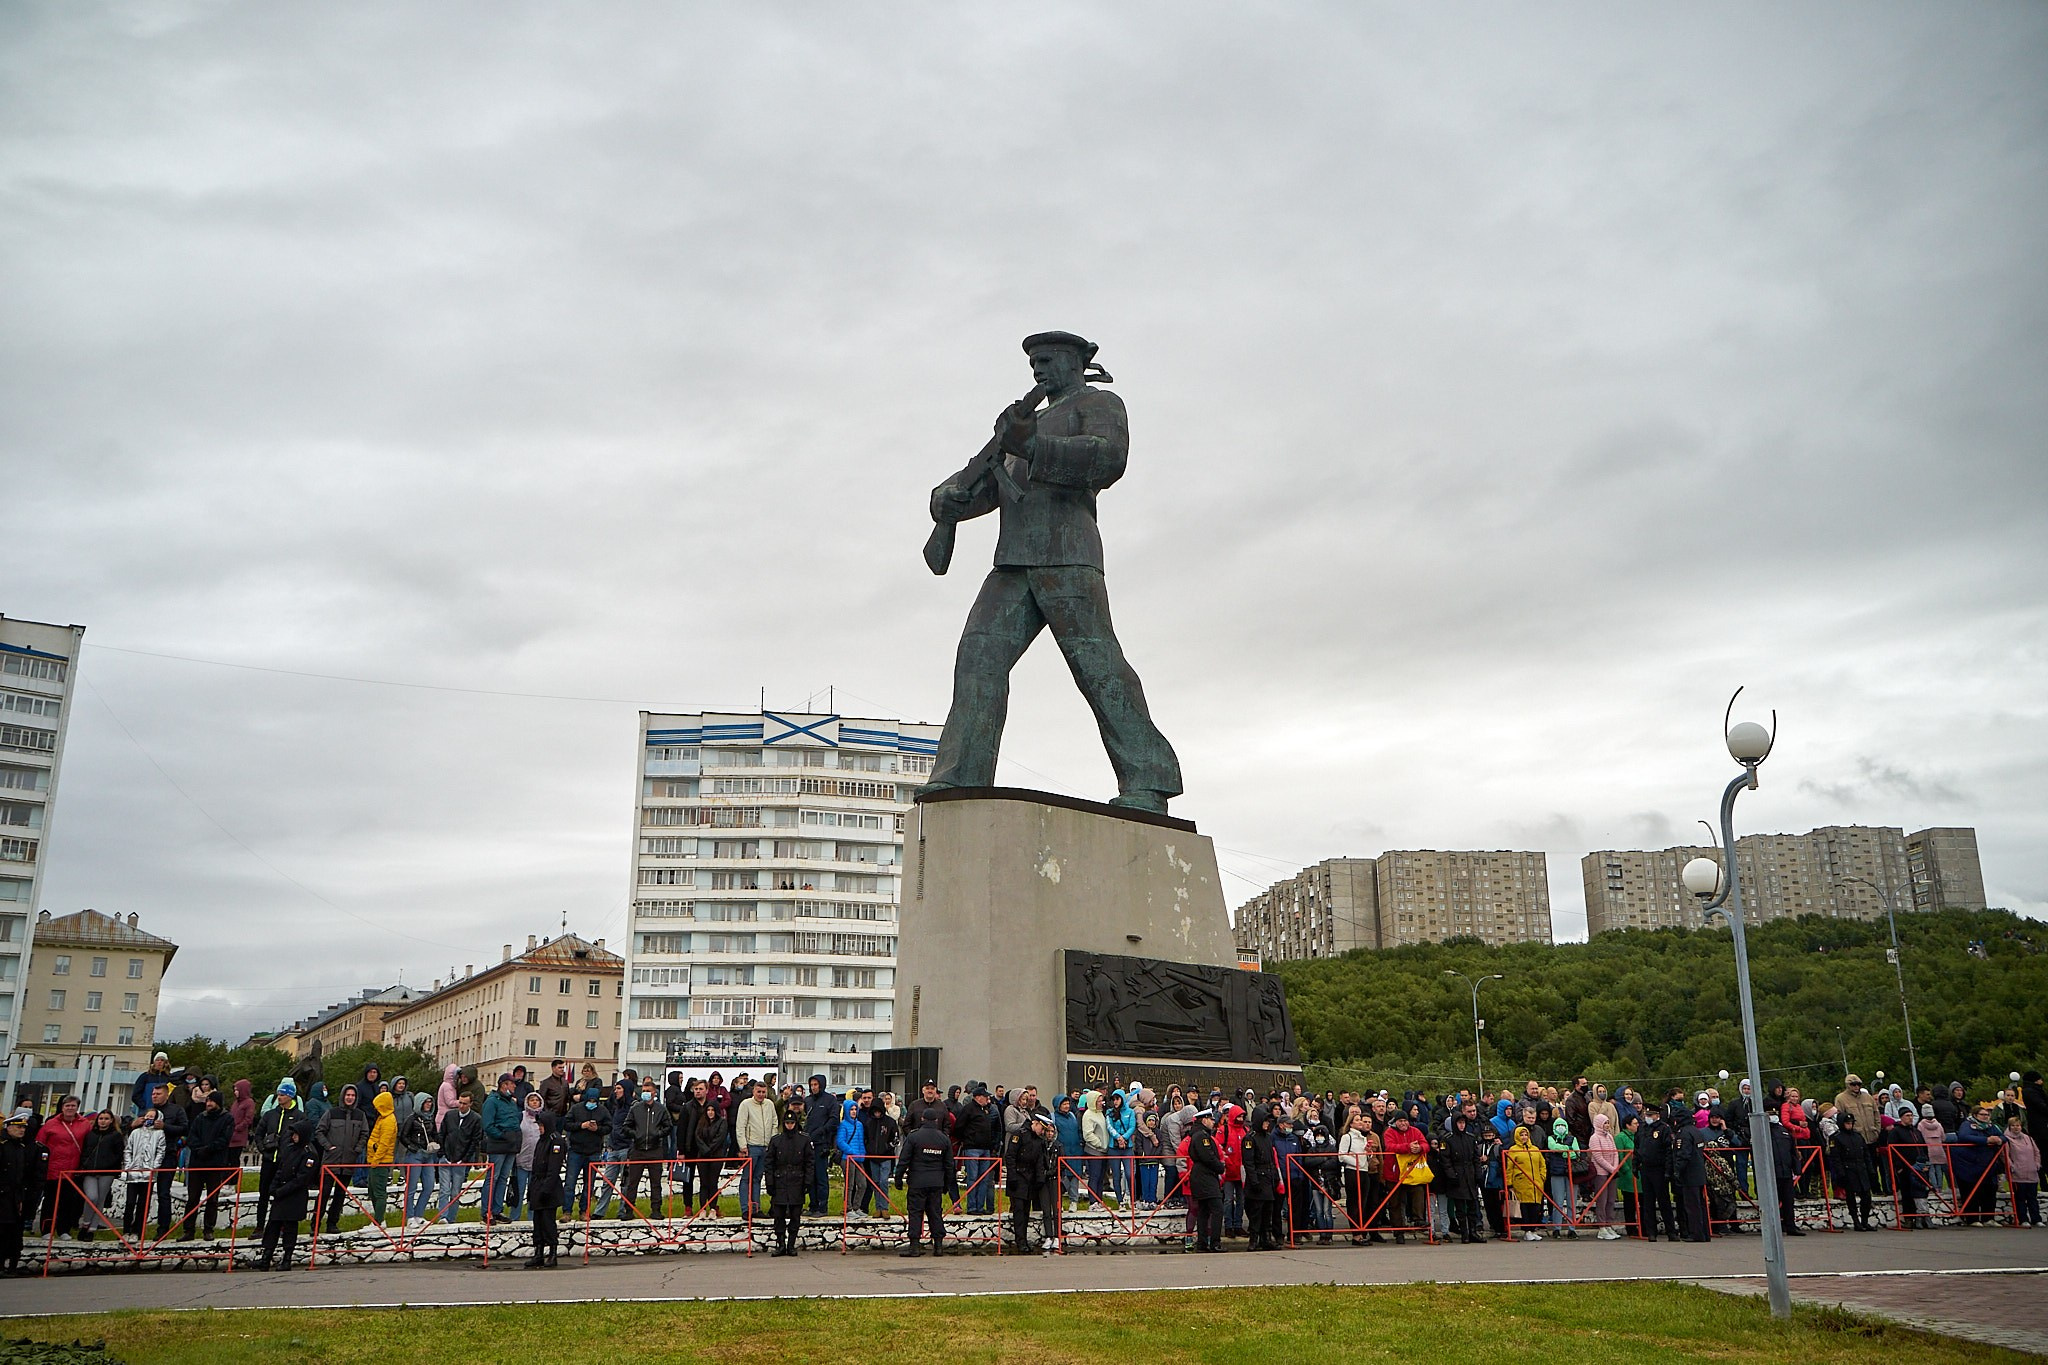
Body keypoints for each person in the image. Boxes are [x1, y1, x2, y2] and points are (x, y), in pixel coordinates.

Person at [256, 1120, 319, 1271]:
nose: (294, 1137)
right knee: (273, 1226)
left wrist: (282, 1190)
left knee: (290, 1228)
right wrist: (274, 1187)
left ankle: (287, 1259)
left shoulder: (309, 1154)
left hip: (294, 1196)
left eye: (296, 1134)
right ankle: (266, 1257)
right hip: (281, 1194)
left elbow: (302, 1178)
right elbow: (280, 1168)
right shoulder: (290, 1149)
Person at [898, 1108, 958, 1257]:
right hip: (936, 1182)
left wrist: (898, 1179)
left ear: (923, 1119)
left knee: (915, 1213)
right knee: (935, 1213)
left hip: (917, 1181)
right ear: (936, 1121)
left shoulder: (914, 1137)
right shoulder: (943, 1139)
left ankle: (915, 1247)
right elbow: (950, 1165)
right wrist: (947, 1185)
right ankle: (938, 1247)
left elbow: (904, 1159)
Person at [1004, 1111, 1061, 1255]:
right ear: (1035, 1124)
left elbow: (1039, 1161)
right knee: (1018, 1212)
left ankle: (1023, 1240)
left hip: (1029, 1179)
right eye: (1042, 1129)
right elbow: (1010, 1157)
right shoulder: (1019, 1134)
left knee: (1025, 1211)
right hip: (1018, 1176)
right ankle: (1020, 1241)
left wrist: (1040, 1179)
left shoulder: (1038, 1140)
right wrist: (1012, 1177)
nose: (1043, 1132)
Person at [183, 1089, 236, 1240]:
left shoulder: (227, 1119)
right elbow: (192, 1136)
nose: (209, 1104)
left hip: (215, 1163)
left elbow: (224, 1140)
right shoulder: (200, 1118)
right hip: (197, 1163)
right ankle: (188, 1230)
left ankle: (208, 1229)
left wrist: (209, 1149)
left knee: (212, 1198)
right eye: (207, 1101)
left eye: (212, 1101)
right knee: (193, 1198)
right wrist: (199, 1149)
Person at [37, 1094, 92, 1239]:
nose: (70, 1108)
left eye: (73, 1105)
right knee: (50, 1201)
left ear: (77, 1108)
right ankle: (47, 1230)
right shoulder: (51, 1123)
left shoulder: (85, 1124)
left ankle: (63, 1230)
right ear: (62, 1107)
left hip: (73, 1170)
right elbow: (40, 1144)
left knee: (68, 1202)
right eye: (67, 1105)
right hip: (53, 1169)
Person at [619, 1077, 673, 1220]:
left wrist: (658, 1134)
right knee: (632, 1183)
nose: (645, 1093)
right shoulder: (635, 1109)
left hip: (655, 1150)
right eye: (643, 1091)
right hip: (638, 1150)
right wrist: (635, 1135)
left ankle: (656, 1210)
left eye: (648, 1091)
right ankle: (628, 1210)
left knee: (656, 1183)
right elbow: (626, 1126)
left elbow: (668, 1126)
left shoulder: (661, 1109)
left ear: (654, 1093)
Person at [0, 1109, 47, 1275]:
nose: (22, 1130)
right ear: (8, 1127)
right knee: (3, 1232)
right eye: (18, 1127)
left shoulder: (20, 1148)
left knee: (15, 1233)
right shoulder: (3, 1146)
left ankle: (12, 1264)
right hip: (3, 1195)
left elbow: (21, 1176)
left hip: (16, 1197)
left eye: (24, 1128)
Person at [765, 1105, 813, 1258]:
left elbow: (809, 1163)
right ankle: (780, 1245)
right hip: (780, 1182)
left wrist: (807, 1182)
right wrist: (770, 1183)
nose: (789, 1125)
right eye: (787, 1123)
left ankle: (791, 1245)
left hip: (797, 1182)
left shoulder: (804, 1140)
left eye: (792, 1123)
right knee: (778, 1216)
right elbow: (769, 1163)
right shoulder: (776, 1140)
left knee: (795, 1216)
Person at [525, 1110, 569, 1269]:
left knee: (548, 1222)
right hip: (537, 1184)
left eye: (542, 1125)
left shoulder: (555, 1141)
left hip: (548, 1187)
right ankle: (538, 1252)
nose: (539, 1128)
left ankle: (552, 1253)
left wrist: (546, 1189)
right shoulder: (542, 1140)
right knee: (538, 1222)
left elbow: (554, 1168)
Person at [1950, 1104, 2006, 1224]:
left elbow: (2004, 1136)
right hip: (1968, 1165)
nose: (1985, 1117)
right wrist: (1986, 1140)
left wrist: (1999, 1139)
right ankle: (1972, 1219)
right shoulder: (1967, 1125)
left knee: (1989, 1191)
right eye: (1982, 1114)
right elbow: (1964, 1137)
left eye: (1987, 1114)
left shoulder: (1991, 1126)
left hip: (1987, 1165)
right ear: (1975, 1115)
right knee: (1971, 1191)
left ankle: (1989, 1218)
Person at [480, 1073, 524, 1223]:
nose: (514, 1087)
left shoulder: (511, 1102)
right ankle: (486, 1211)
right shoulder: (492, 1102)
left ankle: (497, 1209)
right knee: (493, 1178)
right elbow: (488, 1125)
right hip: (498, 1145)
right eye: (512, 1084)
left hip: (511, 1145)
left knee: (503, 1178)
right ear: (504, 1084)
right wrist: (502, 1135)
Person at [74, 1110, 124, 1241]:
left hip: (106, 1173)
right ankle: (85, 1224)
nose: (103, 1121)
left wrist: (112, 1168)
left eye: (106, 1118)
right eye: (101, 1118)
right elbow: (85, 1151)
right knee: (91, 1197)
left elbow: (118, 1154)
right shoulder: (91, 1134)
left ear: (111, 1120)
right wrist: (85, 1165)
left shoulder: (116, 1136)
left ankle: (92, 1229)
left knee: (100, 1200)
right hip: (90, 1172)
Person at [436, 1090, 485, 1222]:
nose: (461, 1106)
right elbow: (442, 1134)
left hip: (461, 1160)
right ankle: (443, 1216)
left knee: (455, 1192)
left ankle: (451, 1218)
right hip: (446, 1157)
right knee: (444, 1190)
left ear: (470, 1104)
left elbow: (474, 1141)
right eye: (460, 1102)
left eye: (465, 1103)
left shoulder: (476, 1119)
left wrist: (464, 1159)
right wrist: (442, 1153)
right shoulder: (449, 1115)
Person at [563, 1085, 609, 1218]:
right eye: (590, 1100)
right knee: (570, 1183)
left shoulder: (603, 1111)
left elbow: (608, 1127)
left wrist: (598, 1129)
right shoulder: (576, 1109)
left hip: (593, 1152)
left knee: (589, 1185)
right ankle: (567, 1211)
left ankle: (584, 1211)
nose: (592, 1103)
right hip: (576, 1151)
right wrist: (581, 1126)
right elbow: (566, 1124)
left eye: (595, 1101)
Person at [735, 1080, 779, 1216]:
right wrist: (743, 1145)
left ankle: (756, 1208)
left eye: (763, 1092)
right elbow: (740, 1126)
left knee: (757, 1179)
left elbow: (774, 1123)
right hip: (751, 1146)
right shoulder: (746, 1104)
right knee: (747, 1178)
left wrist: (772, 1143)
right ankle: (745, 1208)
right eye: (758, 1092)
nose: (761, 1094)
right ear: (753, 1091)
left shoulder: (769, 1104)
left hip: (765, 1147)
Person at [1185, 1109, 1225, 1252]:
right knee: (1217, 1209)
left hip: (1201, 1176)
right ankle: (1215, 1242)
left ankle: (1202, 1243)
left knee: (1203, 1210)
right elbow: (1208, 1156)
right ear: (1204, 1120)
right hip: (1205, 1176)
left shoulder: (1198, 1135)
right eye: (1211, 1119)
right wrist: (1220, 1167)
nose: (1213, 1122)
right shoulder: (1202, 1137)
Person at [1242, 1111, 1283, 1251]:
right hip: (1258, 1178)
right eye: (1265, 1121)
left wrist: (1276, 1177)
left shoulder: (1268, 1137)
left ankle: (1266, 1239)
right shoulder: (1250, 1138)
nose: (1267, 1124)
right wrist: (1254, 1181)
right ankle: (1253, 1240)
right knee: (1256, 1212)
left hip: (1268, 1178)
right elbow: (1249, 1162)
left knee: (1268, 1211)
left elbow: (1272, 1158)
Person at [120, 1108, 163, 1240]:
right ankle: (126, 1231)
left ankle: (137, 1231)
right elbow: (128, 1150)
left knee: (143, 1204)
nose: (148, 1119)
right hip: (133, 1174)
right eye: (146, 1116)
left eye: (151, 1117)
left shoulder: (159, 1134)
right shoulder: (135, 1132)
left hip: (148, 1175)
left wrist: (153, 1168)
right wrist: (128, 1166)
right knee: (130, 1203)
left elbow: (160, 1151)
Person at [398, 1092, 439, 1226]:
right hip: (415, 1156)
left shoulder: (430, 1118)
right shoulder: (411, 1119)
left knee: (429, 1186)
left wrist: (434, 1144)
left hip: (428, 1155)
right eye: (426, 1102)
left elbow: (433, 1134)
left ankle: (418, 1214)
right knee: (411, 1187)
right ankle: (409, 1216)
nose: (428, 1104)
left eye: (430, 1102)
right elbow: (403, 1136)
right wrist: (412, 1147)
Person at [687, 1094, 730, 1215]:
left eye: (712, 1110)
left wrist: (709, 1149)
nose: (710, 1112)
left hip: (716, 1156)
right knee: (703, 1183)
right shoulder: (702, 1122)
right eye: (708, 1110)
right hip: (703, 1156)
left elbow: (720, 1138)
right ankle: (702, 1208)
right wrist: (704, 1150)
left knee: (713, 1182)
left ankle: (712, 1207)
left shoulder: (722, 1122)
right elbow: (698, 1136)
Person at [1831, 1112, 1874, 1230]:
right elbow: (1836, 1158)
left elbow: (1866, 1153)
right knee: (1851, 1197)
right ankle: (1856, 1221)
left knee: (1866, 1196)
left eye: (1851, 1123)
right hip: (1848, 1170)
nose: (1850, 1125)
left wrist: (1870, 1169)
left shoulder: (1858, 1136)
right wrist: (1841, 1173)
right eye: (1847, 1123)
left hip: (1861, 1168)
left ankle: (1865, 1221)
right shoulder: (1836, 1137)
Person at [803, 1075, 838, 1216]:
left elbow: (834, 1120)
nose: (813, 1087)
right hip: (808, 1144)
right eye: (811, 1084)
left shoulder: (830, 1100)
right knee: (810, 1177)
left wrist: (821, 1131)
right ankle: (813, 1205)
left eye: (816, 1084)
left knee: (821, 1177)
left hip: (822, 1144)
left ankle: (823, 1207)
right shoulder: (808, 1101)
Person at [1504, 1125, 1546, 1241]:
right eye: (1521, 1135)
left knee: (1535, 1207)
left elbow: (1542, 1164)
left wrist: (1542, 1177)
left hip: (1536, 1183)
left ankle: (1532, 1230)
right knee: (1524, 1208)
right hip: (1521, 1183)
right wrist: (1509, 1184)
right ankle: (1527, 1230)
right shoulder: (1513, 1150)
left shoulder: (1535, 1149)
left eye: (1526, 1135)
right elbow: (1509, 1168)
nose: (1524, 1137)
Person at [2004, 1114, 2040, 1227]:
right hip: (2017, 1174)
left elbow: (2036, 1152)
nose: (2016, 1127)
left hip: (2031, 1173)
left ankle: (2036, 1219)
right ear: (2009, 1127)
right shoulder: (2007, 1139)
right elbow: (2004, 1155)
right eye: (2013, 1125)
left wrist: (2037, 1164)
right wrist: (2011, 1166)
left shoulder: (2028, 1138)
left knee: (2032, 1198)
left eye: (2018, 1125)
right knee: (2020, 1198)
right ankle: (2023, 1219)